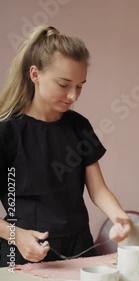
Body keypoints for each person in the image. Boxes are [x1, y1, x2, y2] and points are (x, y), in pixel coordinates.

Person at [0, 25, 131, 266]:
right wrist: (16, 236)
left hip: (79, 250)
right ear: (34, 74)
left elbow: (98, 189)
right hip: (22, 254)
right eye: (64, 84)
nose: (73, 96)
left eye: (80, 85)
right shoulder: (6, 131)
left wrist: (119, 217)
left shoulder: (79, 126)